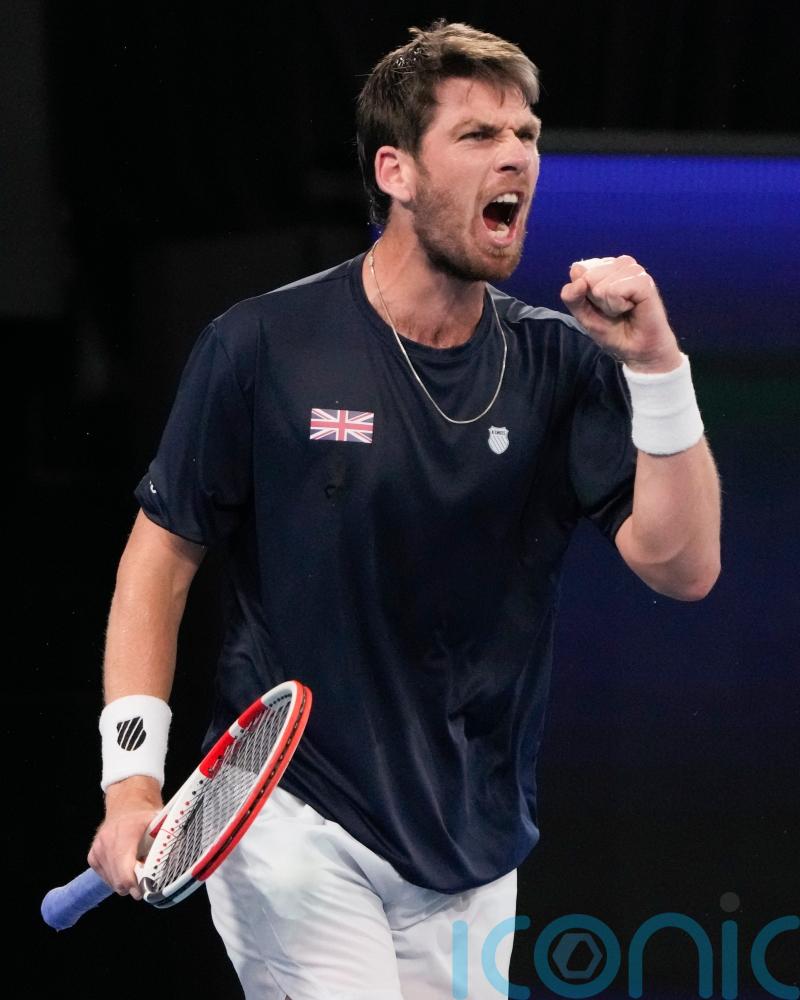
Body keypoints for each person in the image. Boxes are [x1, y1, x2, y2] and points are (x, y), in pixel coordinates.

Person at [87, 20, 721, 1000]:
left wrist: (656, 365)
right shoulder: (260, 345)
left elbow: (681, 566)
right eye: (476, 135)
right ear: (395, 170)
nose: (514, 154)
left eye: (525, 132)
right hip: (295, 818)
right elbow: (156, 564)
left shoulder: (556, 362)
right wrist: (131, 785)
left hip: (471, 838)